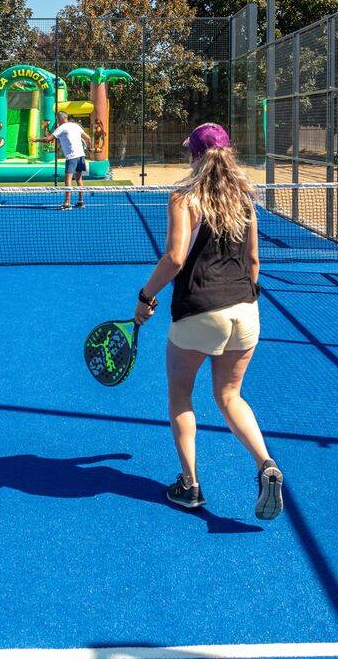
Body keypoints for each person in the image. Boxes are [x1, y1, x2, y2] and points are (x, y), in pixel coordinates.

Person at [133, 123, 284, 520]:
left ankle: (190, 483)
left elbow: (175, 258)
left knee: (181, 396)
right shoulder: (245, 199)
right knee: (230, 396)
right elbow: (253, 262)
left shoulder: (184, 198)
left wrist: (145, 297)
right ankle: (266, 463)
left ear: (194, 156)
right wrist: (245, 297)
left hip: (199, 311)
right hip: (245, 311)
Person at [34, 111, 91, 210]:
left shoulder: (61, 128)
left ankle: (67, 203)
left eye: (57, 119)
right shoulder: (76, 126)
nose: (57, 121)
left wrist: (36, 140)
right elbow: (88, 138)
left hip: (72, 157)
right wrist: (89, 148)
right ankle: (81, 201)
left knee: (68, 180)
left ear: (61, 118)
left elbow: (48, 139)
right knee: (79, 179)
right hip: (81, 156)